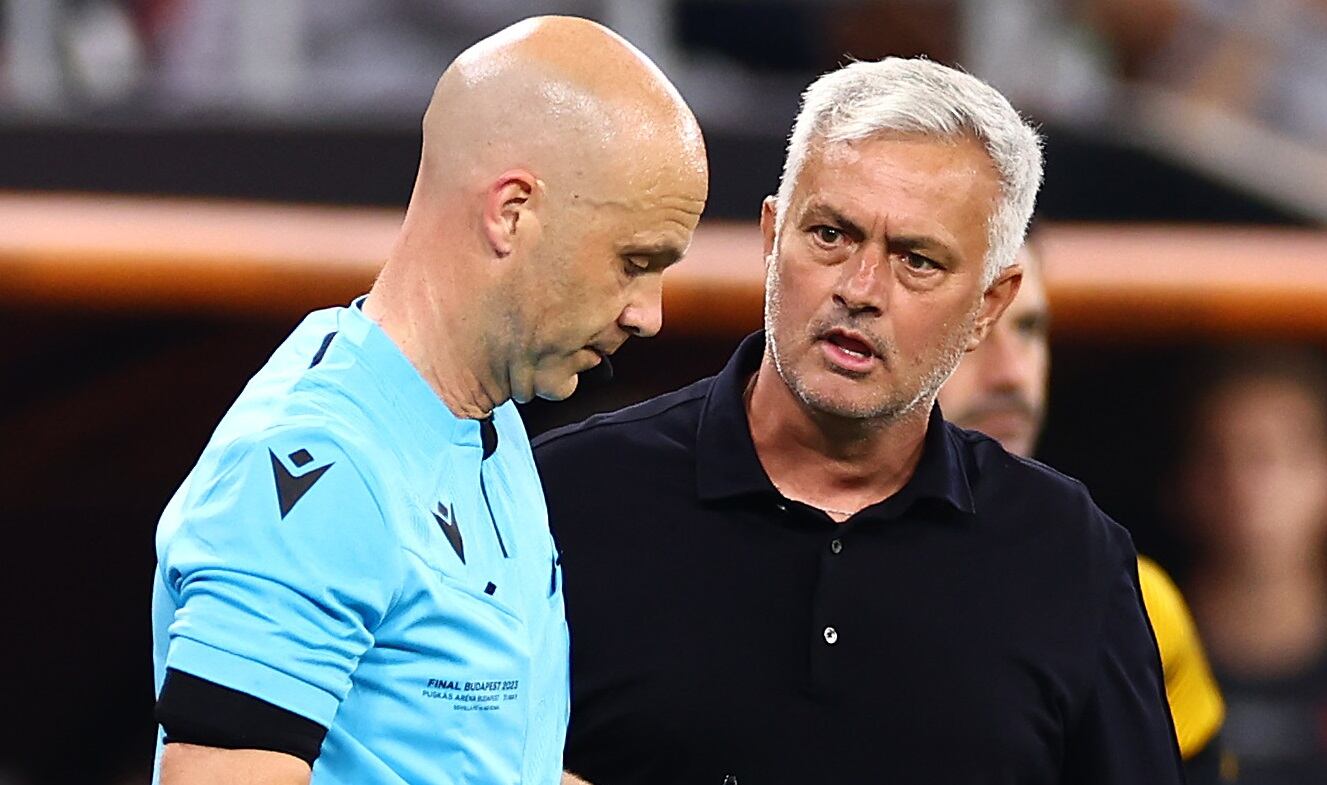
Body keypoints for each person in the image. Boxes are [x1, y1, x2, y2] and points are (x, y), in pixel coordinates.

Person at [536, 57, 1183, 784]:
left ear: (989, 307)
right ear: (771, 235)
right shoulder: (564, 499)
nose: (860, 288)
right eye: (831, 235)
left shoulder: (1069, 555)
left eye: (916, 260)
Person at [150, 16, 708, 785]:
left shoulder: (491, 420)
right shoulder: (319, 465)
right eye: (635, 261)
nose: (650, 312)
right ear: (512, 212)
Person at [937, 235, 1229, 782]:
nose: (1012, 375)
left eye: (1029, 329)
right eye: (972, 329)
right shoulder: (781, 558)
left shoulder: (1137, 603)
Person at [1176, 348, 1327, 784]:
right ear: (1184, 483)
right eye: (1219, 455)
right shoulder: (1136, 653)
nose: (1245, 485)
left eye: (1277, 454)